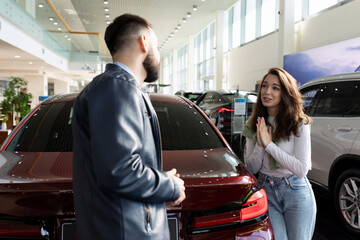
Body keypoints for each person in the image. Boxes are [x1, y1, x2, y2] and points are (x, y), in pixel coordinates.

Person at [72, 13, 186, 240]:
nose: (158, 54)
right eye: (156, 45)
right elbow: (120, 170)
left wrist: (160, 181)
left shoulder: (117, 88)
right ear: (144, 41)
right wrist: (169, 186)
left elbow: (121, 163)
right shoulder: (117, 88)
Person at [243, 67, 316, 240]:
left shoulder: (299, 123)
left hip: (295, 191)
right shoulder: (254, 123)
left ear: (285, 93)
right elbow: (251, 168)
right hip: (266, 188)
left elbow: (302, 169)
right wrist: (261, 144)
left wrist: (269, 145)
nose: (267, 92)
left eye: (275, 88)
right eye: (265, 86)